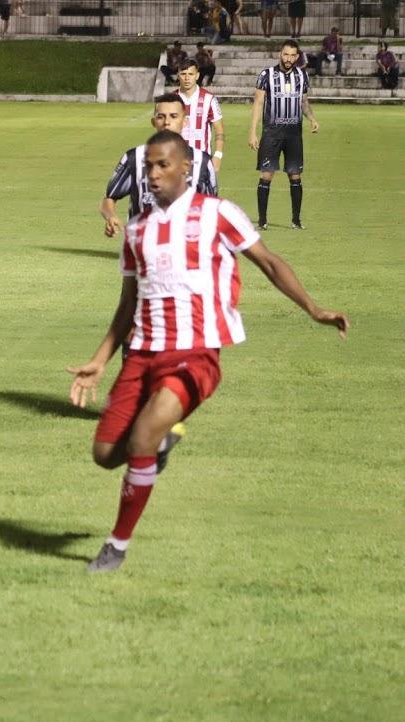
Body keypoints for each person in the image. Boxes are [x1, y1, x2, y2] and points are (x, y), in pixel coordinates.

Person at [71, 129, 348, 573]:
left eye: (163, 165)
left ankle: (116, 547)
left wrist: (313, 308)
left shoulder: (218, 214)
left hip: (195, 354)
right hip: (142, 352)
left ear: (185, 168)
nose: (154, 174)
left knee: (140, 438)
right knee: (105, 454)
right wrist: (101, 359)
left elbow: (270, 262)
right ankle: (163, 440)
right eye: (149, 167)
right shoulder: (138, 229)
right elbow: (128, 303)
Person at [101, 93, 218, 237]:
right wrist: (110, 216)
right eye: (161, 117)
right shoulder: (134, 157)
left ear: (185, 121)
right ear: (153, 121)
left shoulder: (203, 161)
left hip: (187, 251)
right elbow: (109, 199)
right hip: (142, 250)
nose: (166, 122)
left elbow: (212, 207)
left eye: (174, 116)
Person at [249, 39, 319, 230]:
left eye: (292, 55)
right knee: (267, 175)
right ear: (280, 54)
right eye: (285, 54)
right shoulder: (266, 75)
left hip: (293, 134)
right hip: (271, 133)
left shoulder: (302, 75)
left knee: (295, 176)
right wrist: (253, 132)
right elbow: (258, 103)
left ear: (297, 56)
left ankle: (296, 220)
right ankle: (262, 221)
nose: (288, 59)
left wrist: (312, 118)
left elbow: (304, 102)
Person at [175, 59, 224, 169]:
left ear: (197, 76)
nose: (187, 78)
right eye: (183, 74)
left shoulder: (209, 99)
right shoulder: (171, 99)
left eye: (191, 74)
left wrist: (218, 155)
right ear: (178, 75)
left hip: (202, 160)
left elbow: (219, 129)